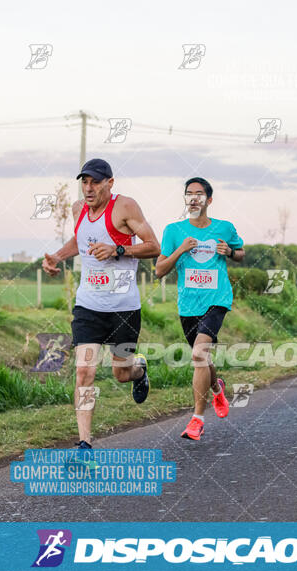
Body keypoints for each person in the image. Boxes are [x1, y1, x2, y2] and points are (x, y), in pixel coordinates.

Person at [42, 158, 160, 448]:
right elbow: (80, 241)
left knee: (121, 374)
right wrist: (57, 256)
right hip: (88, 306)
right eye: (85, 181)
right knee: (84, 371)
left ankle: (139, 371)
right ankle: (84, 444)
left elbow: (153, 245)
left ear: (110, 183)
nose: (89, 187)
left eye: (95, 181)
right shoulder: (78, 209)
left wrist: (118, 249)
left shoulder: (125, 207)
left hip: (123, 308)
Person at [156, 177, 245, 440]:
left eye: (199, 194)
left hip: (217, 300)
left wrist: (229, 251)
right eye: (189, 194)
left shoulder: (224, 227)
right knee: (203, 359)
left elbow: (241, 253)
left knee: (198, 355)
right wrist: (180, 251)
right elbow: (160, 270)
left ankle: (196, 420)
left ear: (209, 200)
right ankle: (217, 388)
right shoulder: (174, 231)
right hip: (188, 304)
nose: (193, 198)